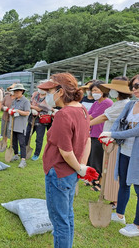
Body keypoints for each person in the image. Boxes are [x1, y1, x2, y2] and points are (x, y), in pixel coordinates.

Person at [39, 73, 94, 248]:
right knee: (67, 216)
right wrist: (82, 167)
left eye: (50, 91)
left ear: (60, 92)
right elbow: (87, 140)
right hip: (70, 173)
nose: (48, 95)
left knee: (59, 221)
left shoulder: (64, 114)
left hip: (59, 172)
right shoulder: (82, 110)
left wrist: (79, 168)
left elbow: (66, 152)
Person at [100, 74, 139, 237]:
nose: (136, 89)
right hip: (125, 151)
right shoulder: (130, 104)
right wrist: (113, 133)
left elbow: (137, 130)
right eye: (134, 86)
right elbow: (119, 121)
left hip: (137, 155)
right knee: (123, 183)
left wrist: (114, 134)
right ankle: (120, 215)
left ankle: (137, 226)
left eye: (138, 86)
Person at [90, 77, 131, 198]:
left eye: (113, 89)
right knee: (106, 167)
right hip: (109, 140)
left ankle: (113, 198)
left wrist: (86, 124)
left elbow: (104, 117)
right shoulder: (119, 103)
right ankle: (107, 193)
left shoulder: (123, 104)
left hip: (114, 141)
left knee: (112, 169)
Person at [87, 80, 113, 190]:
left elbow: (93, 116)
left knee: (99, 159)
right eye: (92, 91)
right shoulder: (96, 102)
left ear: (103, 91)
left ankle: (99, 183)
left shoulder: (107, 102)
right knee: (93, 158)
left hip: (101, 134)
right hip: (94, 133)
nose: (93, 93)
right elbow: (88, 114)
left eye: (96, 90)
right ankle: (93, 179)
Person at [25, 81, 54, 161]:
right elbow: (29, 103)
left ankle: (36, 154)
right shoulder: (35, 94)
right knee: (27, 134)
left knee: (39, 138)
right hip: (32, 118)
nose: (40, 89)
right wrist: (33, 108)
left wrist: (32, 107)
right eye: (40, 87)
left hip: (42, 120)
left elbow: (40, 108)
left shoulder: (48, 97)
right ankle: (24, 150)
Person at [7, 84, 30, 168]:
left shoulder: (26, 101)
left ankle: (23, 160)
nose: (16, 93)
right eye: (15, 91)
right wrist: (11, 111)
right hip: (13, 125)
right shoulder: (14, 101)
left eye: (18, 91)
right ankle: (16, 155)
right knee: (13, 142)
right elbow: (12, 110)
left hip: (20, 126)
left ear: (22, 91)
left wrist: (18, 111)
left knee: (22, 143)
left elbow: (27, 113)